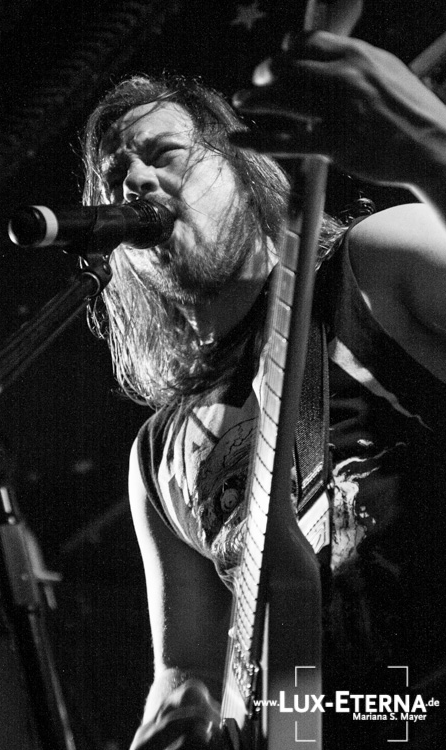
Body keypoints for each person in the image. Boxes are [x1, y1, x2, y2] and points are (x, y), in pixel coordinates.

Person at [82, 30, 446, 749]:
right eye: (118, 178)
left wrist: (429, 148)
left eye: (164, 153)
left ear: (243, 168)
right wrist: (179, 714)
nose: (136, 184)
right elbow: (185, 670)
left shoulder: (375, 264)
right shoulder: (158, 457)